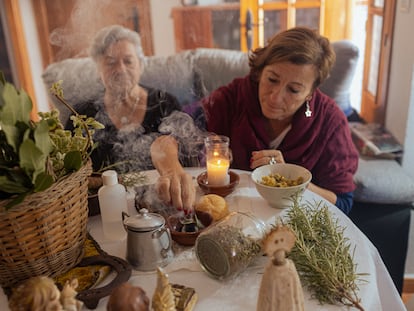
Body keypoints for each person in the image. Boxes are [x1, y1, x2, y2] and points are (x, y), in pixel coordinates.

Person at [151, 27, 359, 214]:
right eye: (272, 79)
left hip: (298, 223)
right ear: (260, 72)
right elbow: (168, 135)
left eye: (294, 90)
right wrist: (172, 170)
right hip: (234, 218)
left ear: (310, 93)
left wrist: (290, 179)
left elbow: (342, 202)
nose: (276, 97)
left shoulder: (330, 121)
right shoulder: (237, 95)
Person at [66, 25, 182, 173]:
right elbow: (70, 174)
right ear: (98, 69)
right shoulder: (81, 116)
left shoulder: (165, 104)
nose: (120, 69)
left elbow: (185, 162)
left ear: (140, 65)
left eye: (128, 61)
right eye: (110, 62)